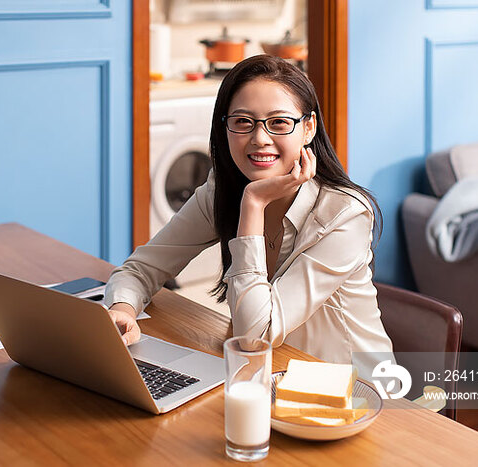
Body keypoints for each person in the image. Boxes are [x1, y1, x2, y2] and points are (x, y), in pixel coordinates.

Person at [105, 55, 393, 376]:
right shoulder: (221, 189)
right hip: (270, 377)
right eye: (243, 121)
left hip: (354, 390)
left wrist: (253, 204)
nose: (259, 138)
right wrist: (123, 309)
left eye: (279, 122)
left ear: (308, 128)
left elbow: (254, 337)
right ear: (224, 126)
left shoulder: (345, 215)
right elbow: (143, 267)